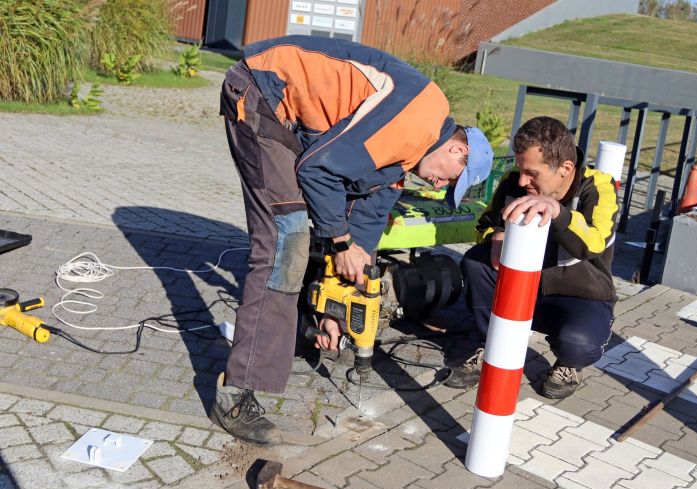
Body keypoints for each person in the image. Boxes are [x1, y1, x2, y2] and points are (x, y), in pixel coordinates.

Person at [213, 35, 493, 446]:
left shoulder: (406, 156)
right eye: (450, 177)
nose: (438, 184)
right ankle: (236, 395)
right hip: (262, 91)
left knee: (314, 238)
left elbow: (366, 226)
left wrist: (337, 311)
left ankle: (294, 329)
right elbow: (318, 171)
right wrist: (340, 243)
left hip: (290, 116)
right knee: (284, 243)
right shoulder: (417, 118)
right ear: (457, 149)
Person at [446, 116, 618, 399]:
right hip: (522, 288)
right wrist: (495, 236)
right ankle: (491, 345)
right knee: (476, 261)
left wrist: (559, 213)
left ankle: (568, 364)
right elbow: (484, 225)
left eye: (533, 174)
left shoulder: (598, 186)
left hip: (579, 294)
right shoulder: (515, 180)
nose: (523, 180)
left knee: (577, 345)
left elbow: (594, 243)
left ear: (565, 168)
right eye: (521, 170)